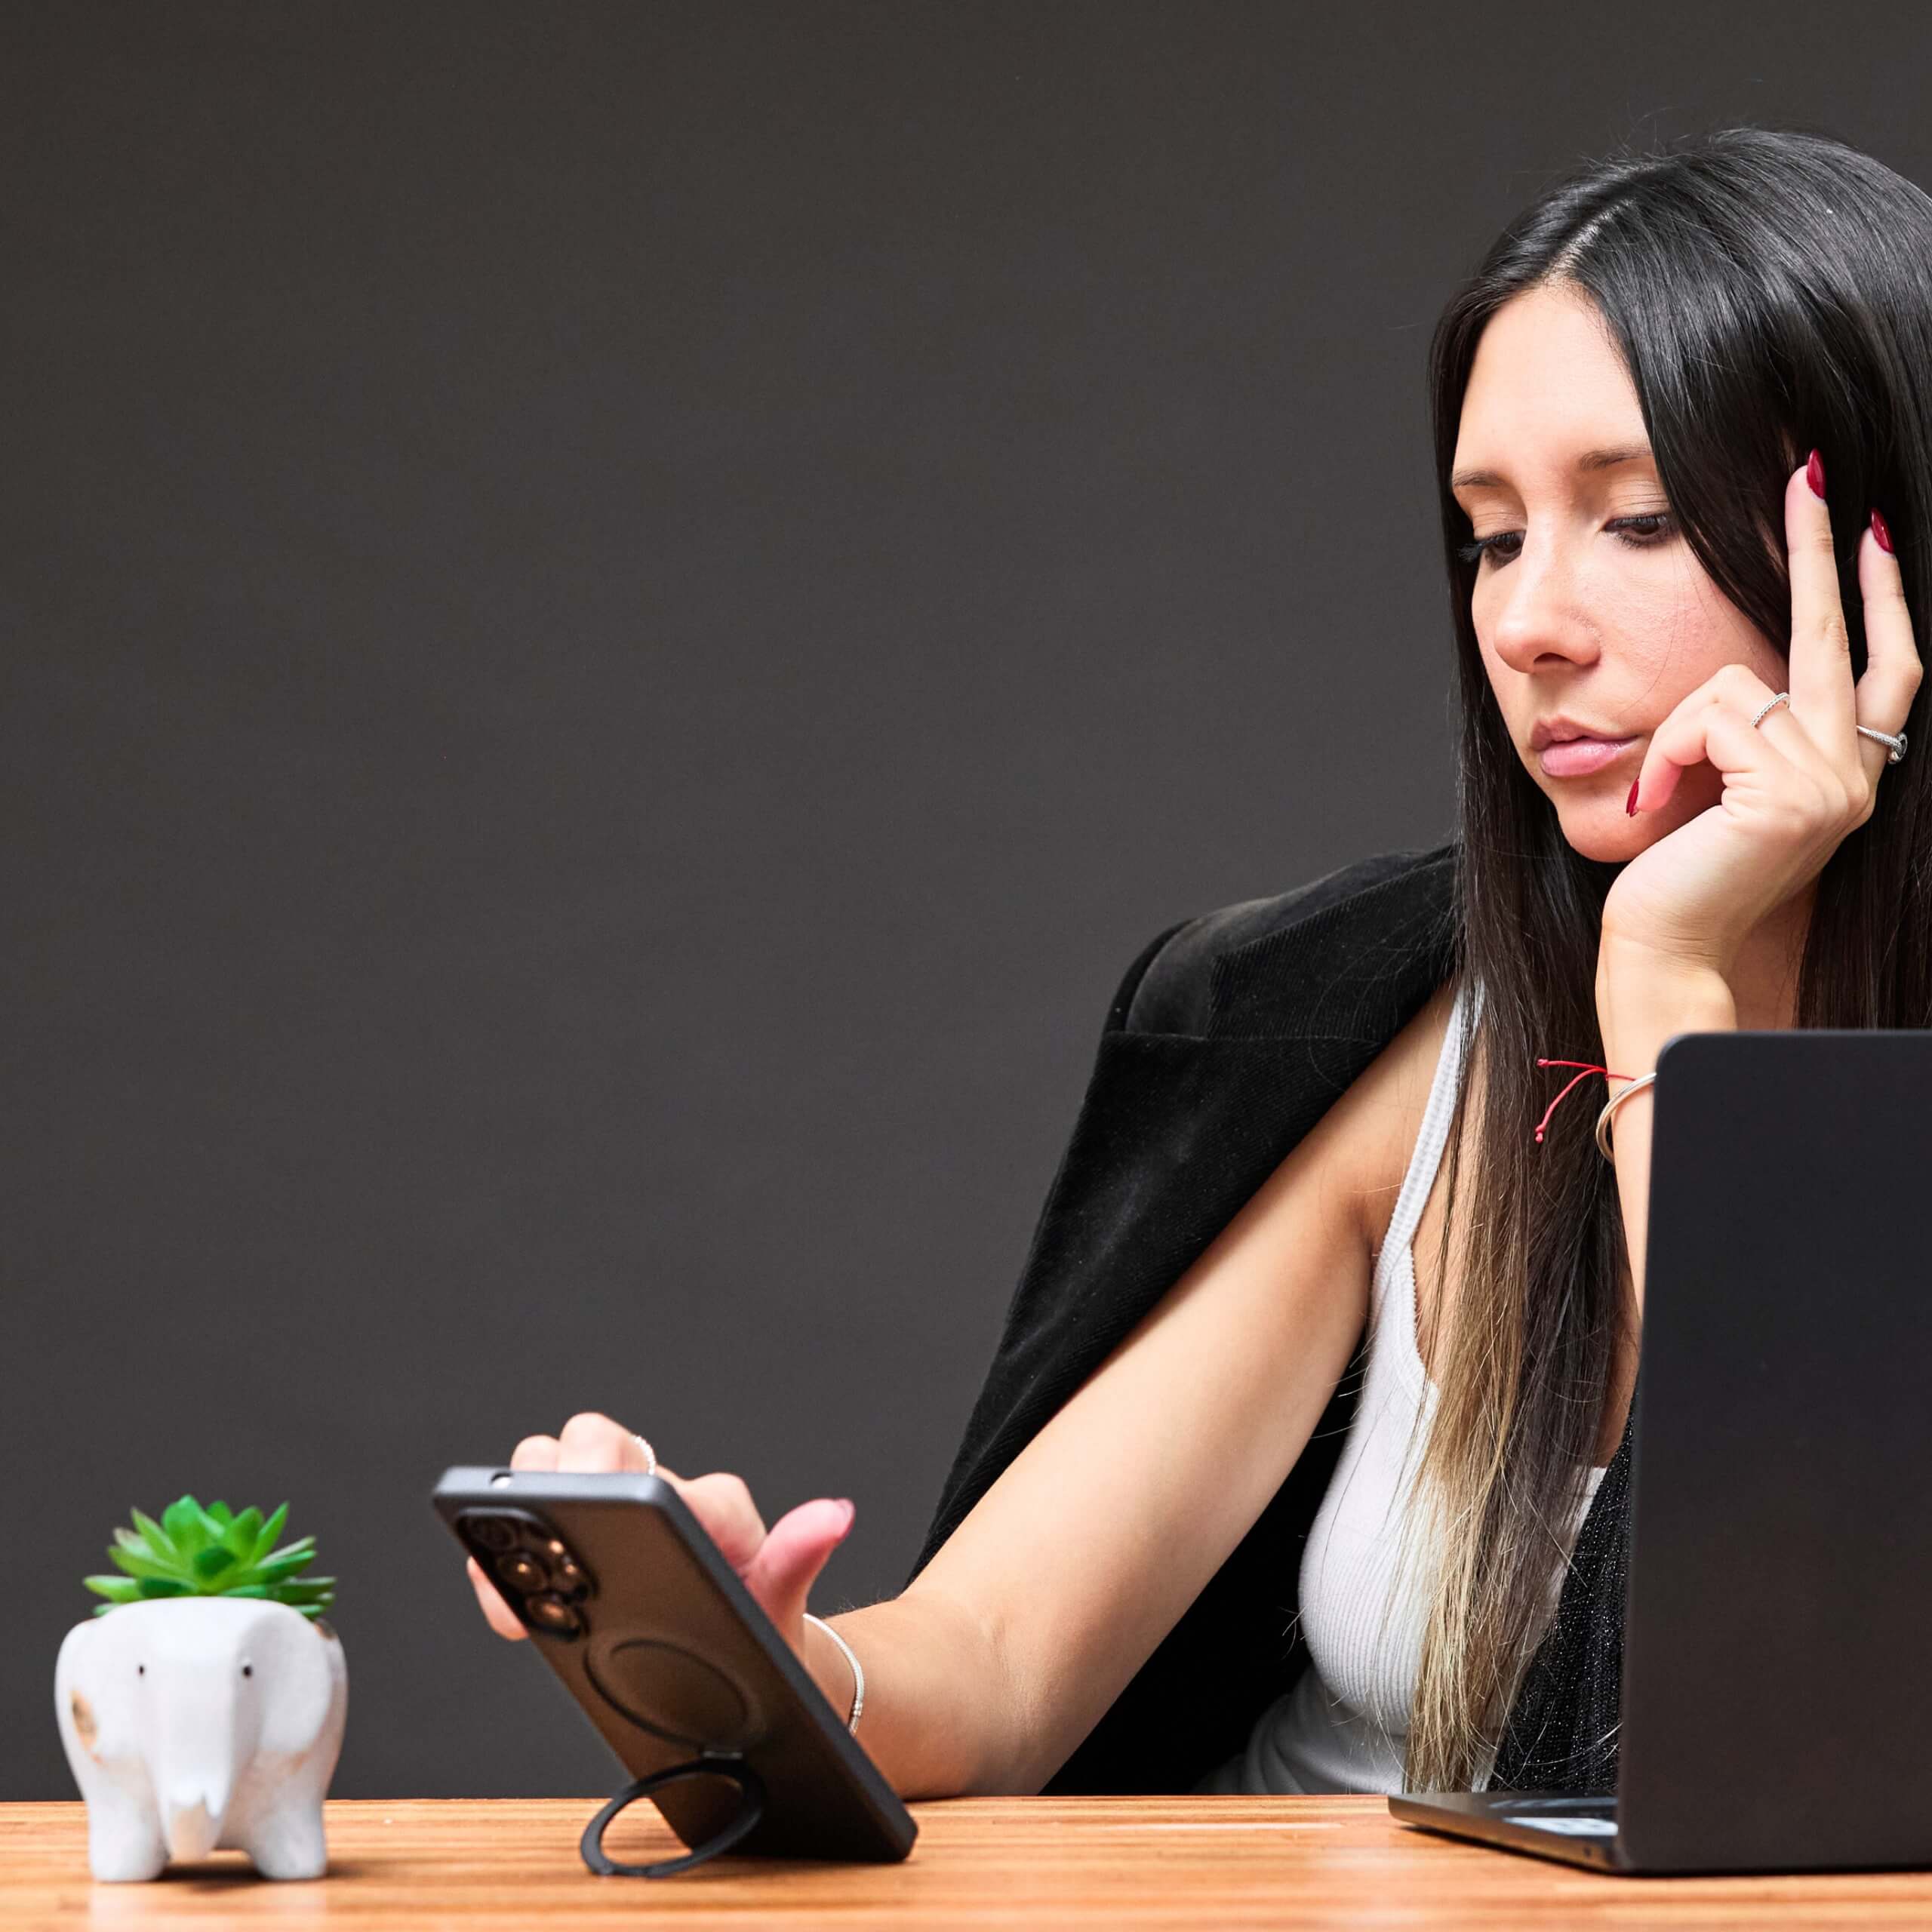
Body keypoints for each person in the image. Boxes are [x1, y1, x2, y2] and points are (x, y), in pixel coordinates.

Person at [466, 126, 1928, 1798]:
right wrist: (753, 1658)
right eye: (1489, 535)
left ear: (1882, 556)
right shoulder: (1406, 1041)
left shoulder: (1662, 997)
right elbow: (1000, 1661)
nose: (1528, 621)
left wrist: (1669, 987)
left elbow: (1848, 1691)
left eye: (1639, 518)